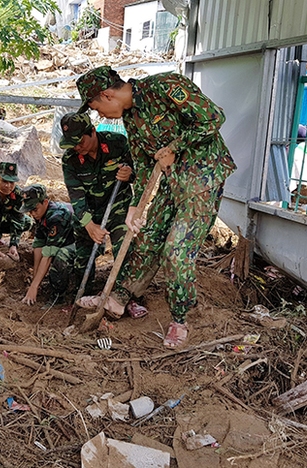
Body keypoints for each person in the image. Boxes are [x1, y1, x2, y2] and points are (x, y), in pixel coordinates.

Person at [75, 66, 236, 348]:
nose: (98, 115)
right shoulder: (131, 117)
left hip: (202, 179)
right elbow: (142, 161)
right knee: (147, 239)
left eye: (95, 107)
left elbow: (213, 118)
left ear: (106, 94)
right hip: (170, 182)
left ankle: (179, 318)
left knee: (176, 250)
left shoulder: (164, 86)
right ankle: (117, 298)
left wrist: (176, 146)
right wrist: (137, 206)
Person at [59, 112, 146, 317]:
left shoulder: (117, 142)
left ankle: (127, 298)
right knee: (83, 259)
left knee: (125, 248)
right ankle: (83, 298)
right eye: (71, 143)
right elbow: (76, 196)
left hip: (117, 207)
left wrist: (129, 174)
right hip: (87, 212)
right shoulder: (70, 159)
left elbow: (139, 172)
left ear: (92, 132)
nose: (76, 147)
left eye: (79, 142)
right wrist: (90, 226)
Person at [19, 184, 76, 306]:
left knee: (61, 257)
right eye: (30, 211)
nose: (32, 214)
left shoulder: (57, 217)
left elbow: (48, 255)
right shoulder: (40, 214)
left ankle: (58, 298)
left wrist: (34, 287)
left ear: (45, 202)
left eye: (34, 209)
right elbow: (39, 245)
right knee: (52, 251)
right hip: (64, 240)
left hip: (85, 243)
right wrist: (35, 281)